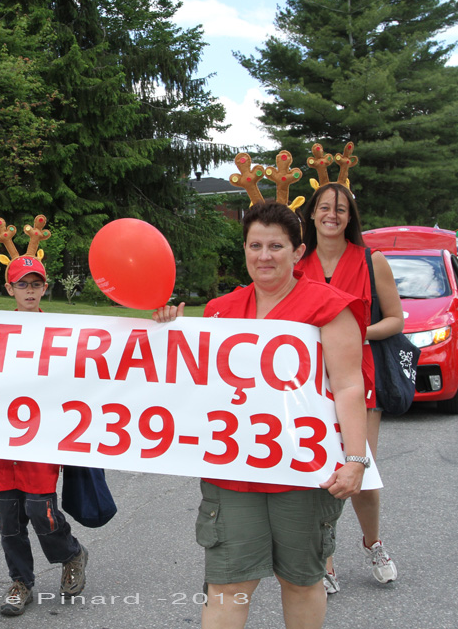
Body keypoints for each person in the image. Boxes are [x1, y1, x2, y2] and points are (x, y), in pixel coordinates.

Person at [153, 202, 369, 629]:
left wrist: (355, 459)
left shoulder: (328, 307)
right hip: (234, 474)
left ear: (298, 251)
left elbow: (348, 386)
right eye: (255, 245)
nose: (264, 255)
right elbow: (188, 379)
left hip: (305, 474)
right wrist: (166, 329)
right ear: (245, 249)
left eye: (276, 246)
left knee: (302, 581)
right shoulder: (219, 311)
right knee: (227, 586)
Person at [300, 182, 404, 593]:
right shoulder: (295, 260)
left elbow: (395, 319)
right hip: (307, 381)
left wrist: (356, 335)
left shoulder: (371, 260)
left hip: (359, 376)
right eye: (324, 207)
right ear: (311, 213)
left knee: (362, 470)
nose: (332, 215)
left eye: (340, 209)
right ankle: (325, 558)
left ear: (350, 217)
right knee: (319, 471)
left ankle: (372, 543)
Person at [0, 252, 88, 616]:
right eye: (22, 285)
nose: (30, 291)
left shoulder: (62, 334)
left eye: (36, 284)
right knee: (10, 520)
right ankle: (21, 582)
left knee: (40, 511)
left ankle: (71, 553)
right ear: (9, 288)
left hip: (41, 438)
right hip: (0, 442)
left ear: (45, 288)